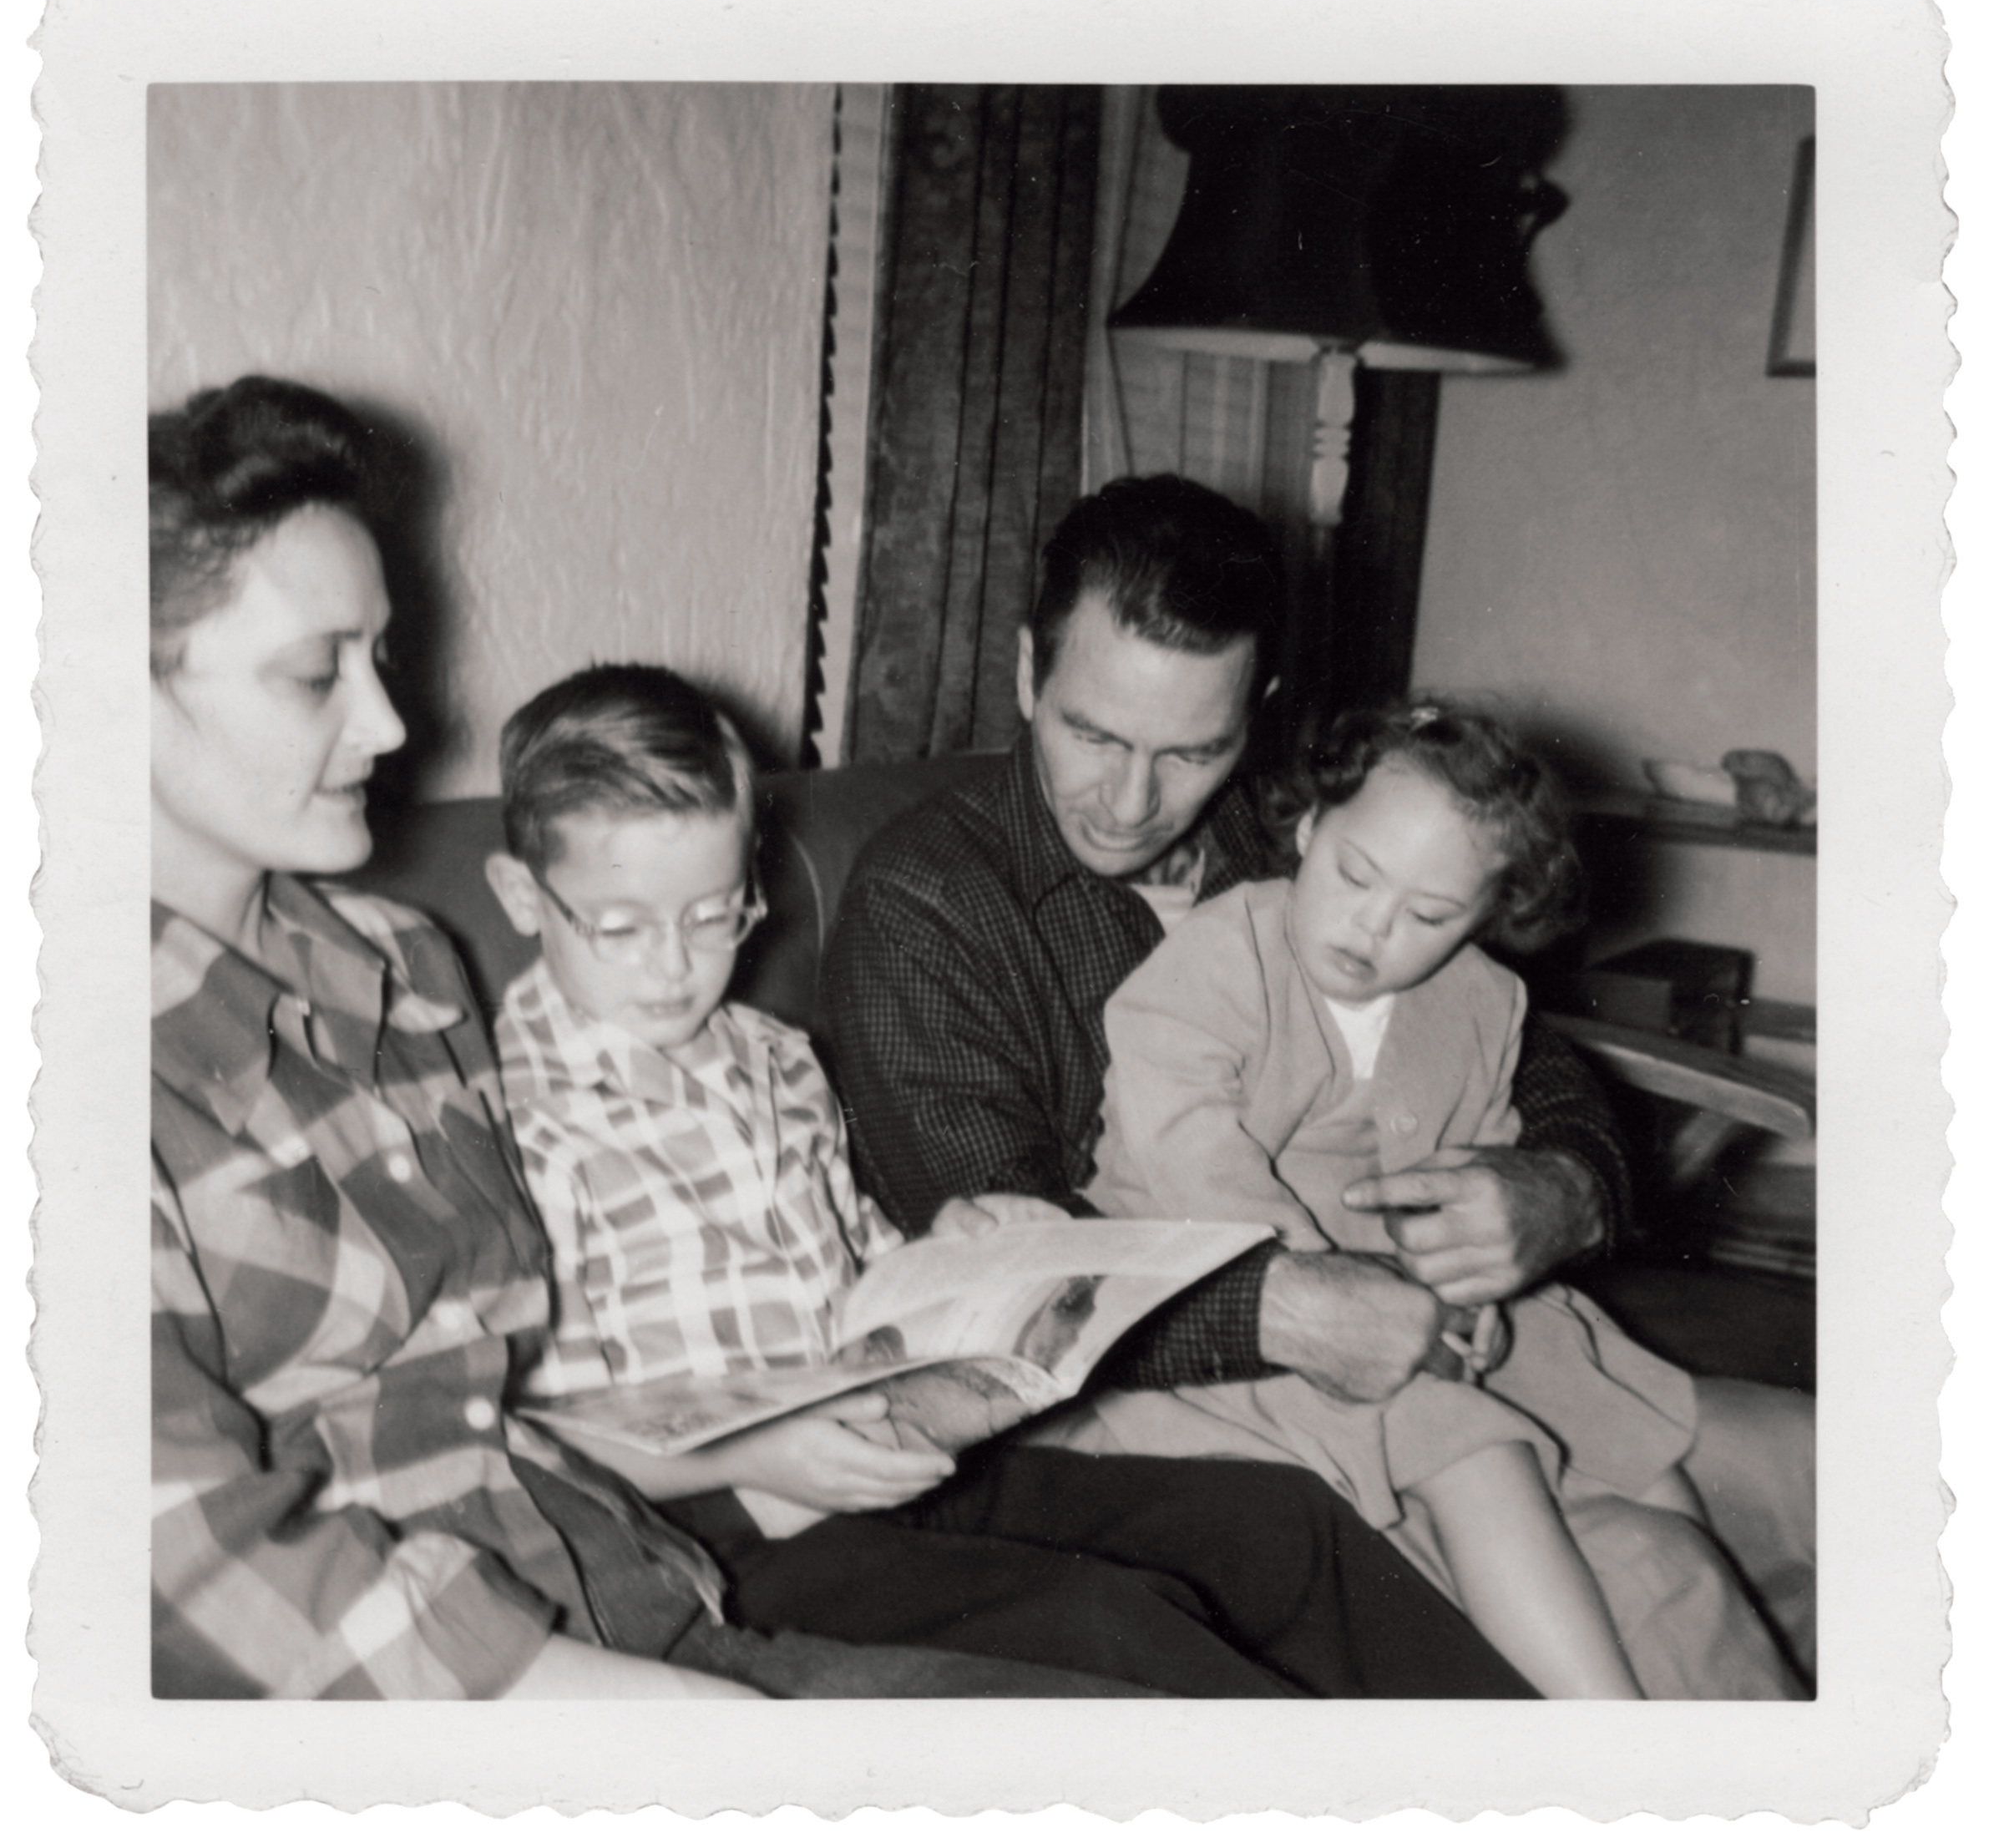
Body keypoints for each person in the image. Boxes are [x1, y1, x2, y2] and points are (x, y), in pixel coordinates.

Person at [148, 373, 1149, 1702]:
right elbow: (182, 1571)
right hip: (494, 1695)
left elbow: (516, 1388)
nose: (391, 725)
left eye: (379, 658)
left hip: (636, 1575)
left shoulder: (399, 967)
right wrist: (707, 1731)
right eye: (316, 674)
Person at [822, 473, 1817, 1685]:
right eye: (1093, 734)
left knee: (1859, 1479)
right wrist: (1300, 1306)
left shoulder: (1304, 837)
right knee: (1673, 1589)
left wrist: (1563, 1185)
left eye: (1194, 749)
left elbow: (1522, 1051)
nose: (1131, 803)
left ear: (1260, 715)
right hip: (1182, 1397)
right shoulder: (928, 904)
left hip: (1460, 1332)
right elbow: (1017, 1284)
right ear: (1030, 675)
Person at [478, 661, 1533, 1698]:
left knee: (1284, 1528)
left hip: (887, 1445)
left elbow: (857, 1273)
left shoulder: (770, 1055)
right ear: (521, 897)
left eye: (716, 915)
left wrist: (955, 1246)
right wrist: (760, 1453)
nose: (676, 966)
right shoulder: (497, 1119)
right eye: (622, 929)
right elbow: (503, 1433)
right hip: (712, 1531)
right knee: (1109, 1621)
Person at [1069, 697, 1794, 1699]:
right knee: (1478, 1451)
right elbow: (1185, 1147)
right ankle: (1613, 1734)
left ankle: (1715, 1623)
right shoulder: (1220, 955)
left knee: (1614, 1405)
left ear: (1488, 917)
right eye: (1355, 875)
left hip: (1412, 1283)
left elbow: (1483, 1150)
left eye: (1430, 915)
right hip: (1235, 1296)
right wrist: (1324, 1280)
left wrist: (1481, 1286)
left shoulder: (1484, 999)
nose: (1373, 928)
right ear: (1312, 830)